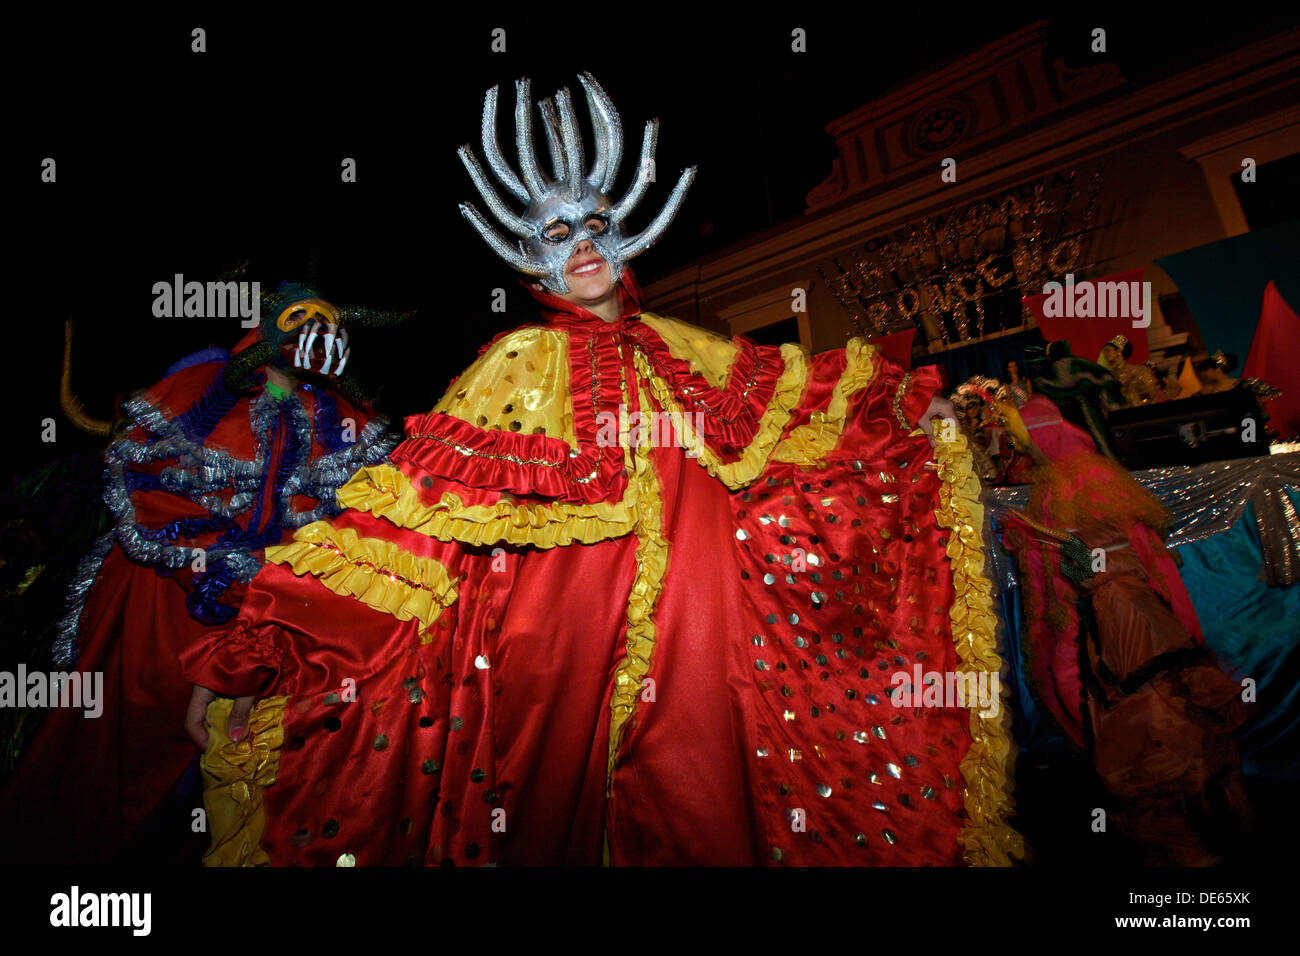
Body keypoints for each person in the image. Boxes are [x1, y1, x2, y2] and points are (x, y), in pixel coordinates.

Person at [180, 74, 1022, 867]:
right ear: (528, 256)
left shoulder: (691, 350)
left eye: (594, 227)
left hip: (703, 649)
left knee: (705, 808)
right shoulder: (518, 361)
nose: (579, 245)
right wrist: (270, 644)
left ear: (626, 236)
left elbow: (813, 404)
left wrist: (912, 410)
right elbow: (413, 516)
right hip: (560, 658)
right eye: (556, 234)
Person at [0, 284, 404, 864]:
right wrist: (234, 581)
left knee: (245, 773)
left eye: (327, 323)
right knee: (130, 750)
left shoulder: (341, 418)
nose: (314, 332)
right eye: (299, 319)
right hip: (169, 605)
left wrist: (284, 601)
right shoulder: (204, 392)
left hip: (278, 621)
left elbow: (352, 527)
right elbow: (154, 499)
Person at [996, 394, 1250, 863]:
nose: (1015, 445)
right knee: (1150, 726)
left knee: (1136, 731)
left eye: (1019, 435)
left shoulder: (1074, 485)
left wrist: (1050, 555)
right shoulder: (1074, 476)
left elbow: (1098, 570)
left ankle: (1181, 842)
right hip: (1120, 631)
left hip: (1111, 633)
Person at [1098, 335, 1160, 407]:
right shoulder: (1107, 376)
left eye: (1108, 350)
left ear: (1119, 351)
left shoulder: (1139, 371)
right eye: (1104, 351)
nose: (1105, 354)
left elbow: (1150, 394)